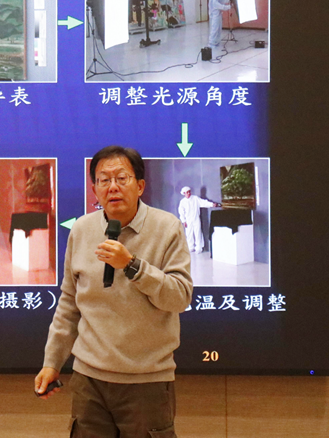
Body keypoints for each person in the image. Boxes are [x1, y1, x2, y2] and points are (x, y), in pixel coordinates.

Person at [35, 145, 192, 438]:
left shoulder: (167, 227)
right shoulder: (82, 229)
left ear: (140, 186)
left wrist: (132, 266)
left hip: (146, 380)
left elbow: (180, 297)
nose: (113, 187)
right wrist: (52, 362)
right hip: (89, 379)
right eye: (104, 180)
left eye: (122, 178)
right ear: (95, 188)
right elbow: (69, 304)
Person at [178, 186, 221, 254]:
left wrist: (212, 204)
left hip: (196, 218)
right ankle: (190, 247)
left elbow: (203, 203)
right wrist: (183, 221)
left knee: (198, 233)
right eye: (187, 192)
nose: (188, 193)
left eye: (189, 192)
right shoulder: (182, 202)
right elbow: (181, 212)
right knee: (189, 234)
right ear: (184, 193)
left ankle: (199, 247)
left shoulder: (195, 198)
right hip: (188, 220)